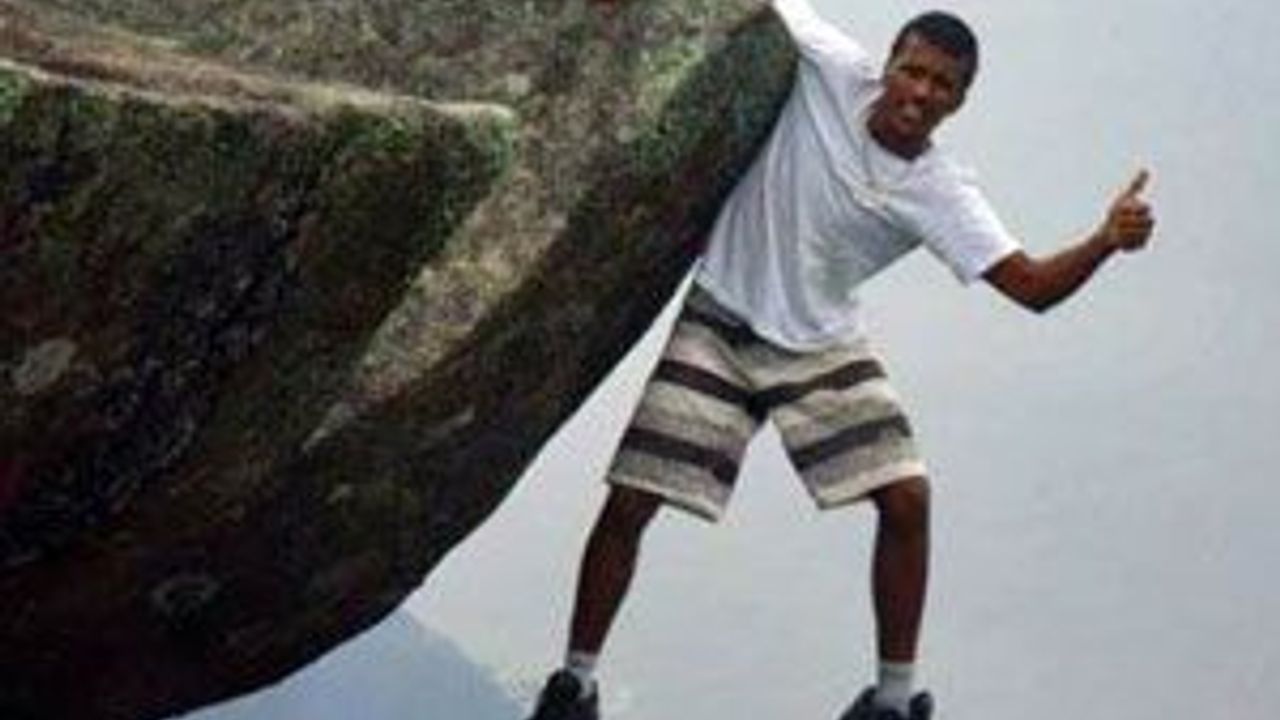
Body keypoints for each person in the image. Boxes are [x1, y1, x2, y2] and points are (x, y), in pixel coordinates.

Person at [528, 0, 1156, 718]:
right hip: (722, 316)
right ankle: (574, 685)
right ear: (886, 65)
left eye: (941, 84)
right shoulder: (831, 68)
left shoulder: (941, 191)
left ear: (959, 101)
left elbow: (1033, 288)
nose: (919, 92)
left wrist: (1105, 241)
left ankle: (892, 701)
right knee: (633, 496)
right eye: (912, 71)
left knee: (907, 498)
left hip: (819, 345)